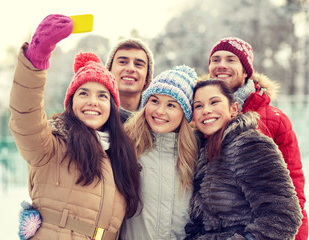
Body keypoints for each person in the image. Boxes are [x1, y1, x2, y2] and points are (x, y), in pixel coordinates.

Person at [9, 14, 141, 240]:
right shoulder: (52, 145)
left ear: (111, 106)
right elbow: (24, 115)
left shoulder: (122, 155)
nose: (92, 101)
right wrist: (36, 58)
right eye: (83, 93)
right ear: (71, 102)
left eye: (102, 95)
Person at [205, 37, 307, 239]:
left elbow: (292, 187)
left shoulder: (273, 119)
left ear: (246, 71)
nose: (221, 65)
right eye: (215, 59)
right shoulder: (200, 116)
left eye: (231, 59)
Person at [185, 79, 302, 240]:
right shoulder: (203, 151)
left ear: (233, 109)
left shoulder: (249, 145)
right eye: (199, 105)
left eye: (214, 102)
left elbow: (284, 216)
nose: (206, 110)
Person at [120, 65, 198, 239]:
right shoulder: (127, 146)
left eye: (171, 105)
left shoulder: (196, 156)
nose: (160, 111)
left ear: (184, 113)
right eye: (154, 101)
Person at [105, 38, 154, 123]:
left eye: (138, 64)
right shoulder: (96, 112)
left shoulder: (156, 117)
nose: (130, 69)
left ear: (147, 78)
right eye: (123, 62)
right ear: (109, 71)